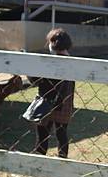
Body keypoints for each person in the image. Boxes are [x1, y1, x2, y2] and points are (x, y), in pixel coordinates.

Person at [30, 28, 75, 158]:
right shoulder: (72, 61)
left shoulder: (50, 62)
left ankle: (39, 159)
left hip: (47, 102)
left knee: (42, 134)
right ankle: (62, 159)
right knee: (61, 134)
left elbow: (36, 81)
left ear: (54, 43)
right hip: (65, 103)